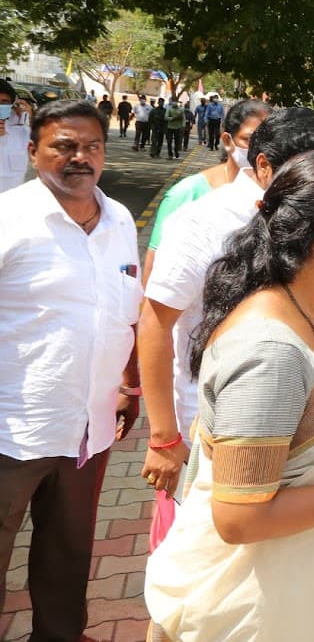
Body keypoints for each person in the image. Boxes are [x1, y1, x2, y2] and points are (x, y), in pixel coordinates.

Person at [144, 149, 314, 641]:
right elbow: (240, 518)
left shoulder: (299, 307)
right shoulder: (272, 348)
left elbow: (297, 438)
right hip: (249, 611)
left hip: (283, 597)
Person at [138, 108, 314, 549]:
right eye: (301, 173)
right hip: (208, 429)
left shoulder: (311, 222)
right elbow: (155, 324)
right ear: (262, 165)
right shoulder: (200, 223)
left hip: (291, 423)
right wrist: (163, 436)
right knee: (205, 557)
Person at [0, 100, 142, 640]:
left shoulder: (121, 220)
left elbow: (125, 311)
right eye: (64, 146)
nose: (79, 157)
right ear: (35, 152)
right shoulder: (9, 219)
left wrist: (127, 385)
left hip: (90, 426)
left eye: (91, 146)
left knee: (68, 549)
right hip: (13, 427)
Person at [143, 99, 271, 280]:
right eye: (249, 140)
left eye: (268, 141)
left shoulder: (275, 195)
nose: (260, 150)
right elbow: (153, 272)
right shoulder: (187, 194)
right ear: (227, 140)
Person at [0, 80, 32, 193]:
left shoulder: (21, 126)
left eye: (5, 102)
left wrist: (29, 117)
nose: (0, 105)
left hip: (12, 196)